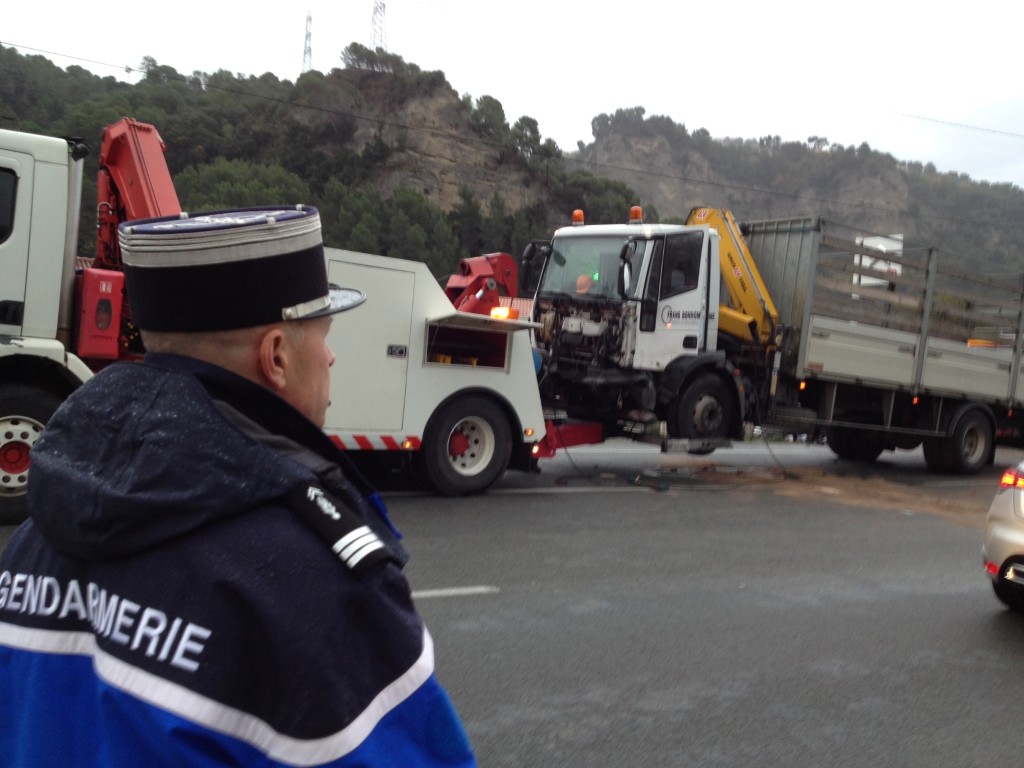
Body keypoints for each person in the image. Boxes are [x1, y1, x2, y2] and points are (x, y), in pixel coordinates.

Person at [0, 206, 476, 767]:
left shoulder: (34, 542)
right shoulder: (312, 588)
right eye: (321, 334)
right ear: (275, 356)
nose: (330, 355)